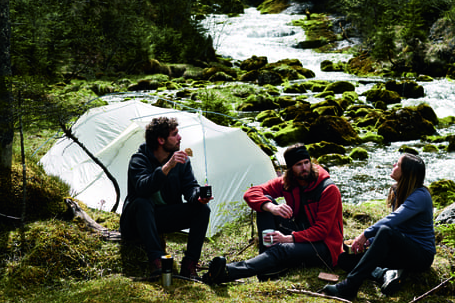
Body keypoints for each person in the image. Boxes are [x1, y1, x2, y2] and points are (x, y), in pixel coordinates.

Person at [204, 144, 343, 284]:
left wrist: (288, 238)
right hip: (300, 234)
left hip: (325, 248)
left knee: (281, 249)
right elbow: (250, 193)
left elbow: (322, 231)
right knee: (265, 204)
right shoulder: (289, 182)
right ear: (290, 168)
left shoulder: (328, 189)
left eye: (306, 162)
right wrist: (270, 207)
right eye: (298, 164)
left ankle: (228, 272)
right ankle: (269, 268)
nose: (304, 168)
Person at [323, 152, 434, 300]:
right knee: (345, 259)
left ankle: (349, 287)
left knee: (386, 231)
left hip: (420, 255)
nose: (394, 165)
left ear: (406, 172)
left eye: (398, 164)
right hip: (400, 249)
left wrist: (365, 235)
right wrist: (371, 241)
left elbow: (393, 220)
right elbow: (398, 227)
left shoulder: (421, 196)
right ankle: (385, 273)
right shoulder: (399, 190)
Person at [123, 115, 211, 279]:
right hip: (136, 222)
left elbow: (190, 187)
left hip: (161, 218)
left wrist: (198, 196)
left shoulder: (181, 161)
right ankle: (157, 261)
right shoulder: (139, 160)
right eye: (174, 134)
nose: (180, 137)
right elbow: (143, 188)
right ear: (161, 140)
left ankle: (189, 264)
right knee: (143, 202)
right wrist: (167, 167)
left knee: (202, 209)